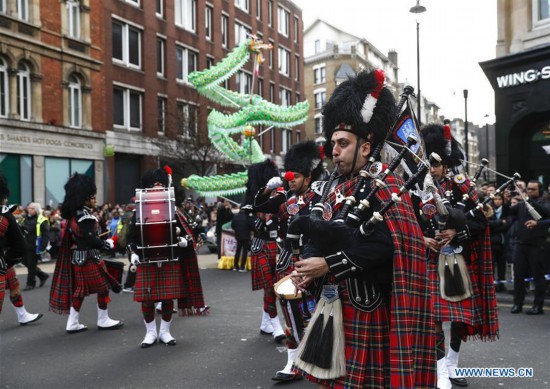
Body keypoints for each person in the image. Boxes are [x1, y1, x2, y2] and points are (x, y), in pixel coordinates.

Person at [291, 69, 435, 388]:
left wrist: (328, 264)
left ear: (366, 146)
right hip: (333, 304)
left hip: (368, 306)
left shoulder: (386, 181)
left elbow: (386, 246)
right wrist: (307, 268)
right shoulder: (333, 185)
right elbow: (319, 228)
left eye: (343, 143)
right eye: (333, 144)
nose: (335, 151)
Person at [419, 123, 499, 389]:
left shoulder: (461, 186)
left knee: (457, 317)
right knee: (434, 317)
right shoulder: (417, 190)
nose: (431, 168)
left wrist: (457, 231)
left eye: (436, 163)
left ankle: (453, 364)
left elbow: (481, 221)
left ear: (446, 163)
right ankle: (441, 370)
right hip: (430, 259)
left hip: (457, 260)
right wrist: (422, 238)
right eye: (428, 162)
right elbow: (404, 223)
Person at [253, 140, 324, 382]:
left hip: (315, 259)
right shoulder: (284, 198)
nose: (291, 180)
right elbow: (259, 206)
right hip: (287, 260)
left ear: (308, 176)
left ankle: (319, 357)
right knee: (291, 312)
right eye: (289, 177)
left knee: (318, 311)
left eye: (297, 177)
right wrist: (266, 189)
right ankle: (293, 362)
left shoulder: (320, 197)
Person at [127, 167, 208, 348]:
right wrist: (132, 253)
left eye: (161, 185)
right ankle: (150, 332)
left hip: (170, 259)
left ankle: (165, 332)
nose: (157, 188)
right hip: (146, 259)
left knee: (167, 298)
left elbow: (190, 232)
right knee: (146, 300)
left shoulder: (174, 210)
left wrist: (184, 241)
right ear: (147, 188)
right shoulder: (138, 211)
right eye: (154, 185)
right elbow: (131, 238)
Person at [49, 173, 123, 333]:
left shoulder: (75, 215)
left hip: (79, 258)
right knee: (103, 288)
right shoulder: (85, 216)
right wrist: (107, 243)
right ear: (84, 197)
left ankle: (72, 322)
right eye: (92, 196)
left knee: (80, 291)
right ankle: (103, 320)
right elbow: (91, 240)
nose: (94, 199)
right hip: (89, 257)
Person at [246, 159, 286, 343]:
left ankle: (265, 322)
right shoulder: (255, 198)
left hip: (278, 246)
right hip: (262, 245)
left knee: (276, 289)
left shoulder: (281, 194)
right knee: (269, 288)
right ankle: (276, 326)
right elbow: (251, 221)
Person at [0, 174, 43, 325]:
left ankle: (22, 314)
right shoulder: (4, 214)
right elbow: (18, 245)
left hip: (3, 258)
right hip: (3, 259)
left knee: (14, 285)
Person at [509, 180, 550, 315]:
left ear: (539, 190)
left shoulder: (544, 203)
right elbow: (509, 211)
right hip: (520, 245)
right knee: (519, 276)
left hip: (537, 245)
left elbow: (547, 215)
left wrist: (537, 224)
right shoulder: (522, 204)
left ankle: (538, 306)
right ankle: (517, 304)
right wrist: (506, 198)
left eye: (533, 189)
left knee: (538, 277)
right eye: (528, 189)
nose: (529, 191)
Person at [20, 202, 50, 290]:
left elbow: (46, 234)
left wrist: (42, 247)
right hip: (25, 245)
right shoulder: (24, 219)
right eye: (29, 208)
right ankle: (42, 275)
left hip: (34, 246)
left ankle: (30, 283)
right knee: (24, 262)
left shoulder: (41, 219)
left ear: (36, 209)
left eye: (32, 208)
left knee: (31, 265)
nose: (29, 209)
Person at [489, 193, 510, 292]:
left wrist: (496, 225)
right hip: (493, 242)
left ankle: (501, 285)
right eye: (495, 199)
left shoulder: (506, 210)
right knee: (492, 265)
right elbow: (489, 224)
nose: (497, 201)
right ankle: (492, 285)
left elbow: (508, 224)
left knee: (502, 266)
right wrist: (501, 222)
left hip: (502, 242)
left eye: (499, 199)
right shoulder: (489, 210)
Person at [230, 204, 254, 272]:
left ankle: (235, 266)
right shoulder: (248, 217)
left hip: (238, 236)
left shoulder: (236, 217)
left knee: (237, 250)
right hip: (246, 236)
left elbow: (232, 226)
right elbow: (251, 227)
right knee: (244, 252)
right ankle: (242, 267)